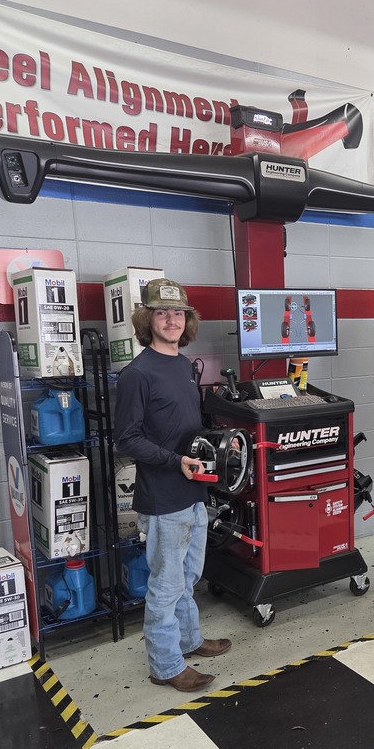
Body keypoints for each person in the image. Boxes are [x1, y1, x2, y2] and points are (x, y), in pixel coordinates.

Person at [113, 278, 232, 692]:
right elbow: (125, 439)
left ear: (187, 319)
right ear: (147, 319)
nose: (171, 320)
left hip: (193, 490)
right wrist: (174, 461)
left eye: (178, 312)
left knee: (188, 575)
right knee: (165, 586)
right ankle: (165, 665)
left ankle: (189, 640)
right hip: (164, 498)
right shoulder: (137, 374)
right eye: (161, 313)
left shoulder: (183, 364)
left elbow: (186, 424)